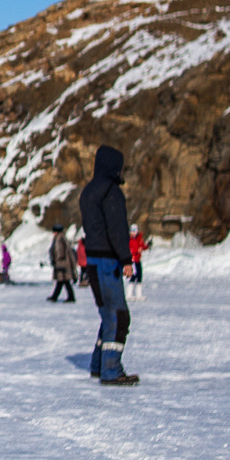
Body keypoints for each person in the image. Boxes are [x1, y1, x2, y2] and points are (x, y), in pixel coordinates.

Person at [78, 144, 139, 385]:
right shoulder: (111, 192)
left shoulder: (89, 191)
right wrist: (125, 258)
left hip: (92, 261)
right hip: (107, 261)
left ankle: (98, 365)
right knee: (118, 316)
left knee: (107, 315)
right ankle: (111, 370)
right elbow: (116, 228)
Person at [48, 228, 77, 303]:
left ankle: (69, 297)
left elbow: (59, 251)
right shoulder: (60, 238)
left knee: (64, 280)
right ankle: (56, 296)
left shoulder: (59, 239)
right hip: (62, 263)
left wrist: (57, 261)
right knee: (62, 281)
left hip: (62, 264)